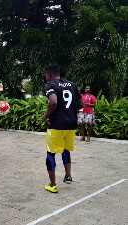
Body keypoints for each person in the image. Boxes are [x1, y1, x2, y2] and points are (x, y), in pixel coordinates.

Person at [42, 64, 84, 193]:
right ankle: (68, 175)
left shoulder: (50, 85)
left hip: (56, 124)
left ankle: (53, 185)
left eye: (46, 75)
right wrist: (70, 112)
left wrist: (46, 115)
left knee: (50, 154)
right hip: (71, 124)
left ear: (49, 74)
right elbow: (81, 104)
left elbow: (53, 101)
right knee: (66, 149)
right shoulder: (72, 84)